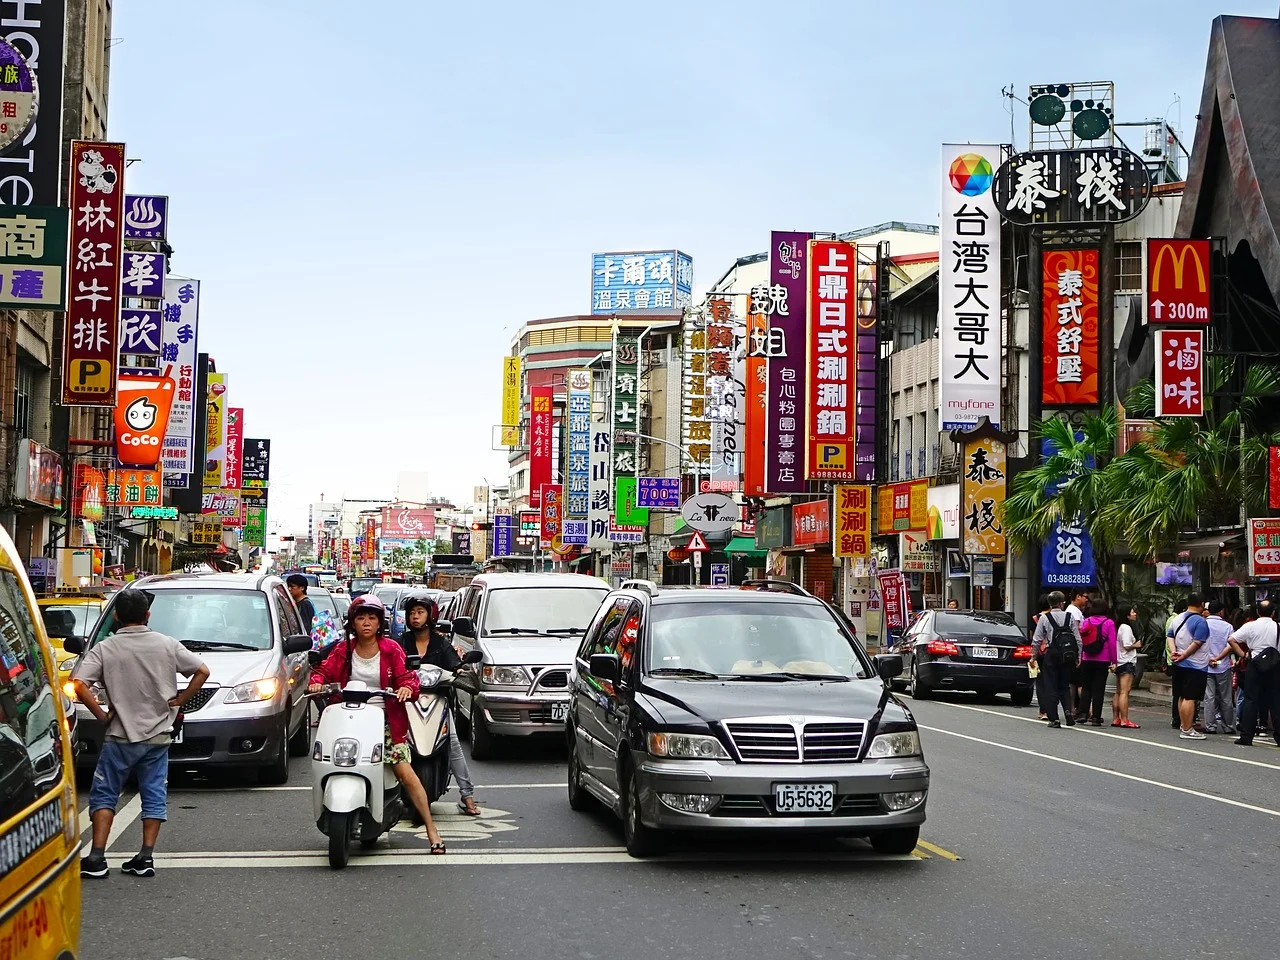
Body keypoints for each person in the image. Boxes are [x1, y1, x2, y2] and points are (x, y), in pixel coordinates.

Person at [73, 589, 211, 879]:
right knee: (153, 793)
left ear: (115, 616)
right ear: (148, 615)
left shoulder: (105, 648)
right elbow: (202, 671)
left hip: (119, 735)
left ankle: (97, 857)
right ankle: (145, 856)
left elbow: (79, 684)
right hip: (158, 735)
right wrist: (181, 700)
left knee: (105, 793)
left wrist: (100, 714)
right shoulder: (167, 644)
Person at [308, 595, 446, 852]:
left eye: (372, 617)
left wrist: (406, 687)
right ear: (353, 623)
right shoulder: (343, 649)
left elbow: (408, 677)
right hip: (347, 719)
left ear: (380, 622)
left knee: (404, 772)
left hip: (384, 721)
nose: (366, 623)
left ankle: (431, 828)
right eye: (361, 618)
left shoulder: (392, 649)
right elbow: (324, 671)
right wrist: (316, 680)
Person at [399, 593, 481, 816]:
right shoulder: (401, 642)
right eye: (412, 613)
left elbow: (455, 664)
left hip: (437, 700)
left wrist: (461, 670)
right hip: (405, 701)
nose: (415, 617)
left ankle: (467, 796)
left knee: (453, 743)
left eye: (420, 612)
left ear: (431, 616)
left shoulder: (441, 643)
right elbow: (391, 664)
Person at [1226, 599, 1280, 747]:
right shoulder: (1278, 627)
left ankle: (1246, 736)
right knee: (1275, 701)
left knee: (1251, 700)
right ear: (1273, 613)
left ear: (1257, 612)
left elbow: (1232, 640)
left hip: (1255, 665)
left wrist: (1243, 655)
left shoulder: (1250, 626)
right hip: (1274, 666)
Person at [1031, 591, 1080, 728]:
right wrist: (1078, 656)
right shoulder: (1069, 617)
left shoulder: (1045, 618)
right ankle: (1068, 712)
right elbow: (1077, 639)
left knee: (1050, 685)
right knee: (1064, 685)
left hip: (1051, 654)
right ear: (1060, 603)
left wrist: (1033, 657)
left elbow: (1037, 640)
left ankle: (1054, 718)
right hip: (1067, 655)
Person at [1168, 594, 1211, 741]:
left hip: (1178, 664)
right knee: (1190, 697)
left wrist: (1174, 651)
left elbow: (1170, 635)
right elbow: (1197, 643)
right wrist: (1184, 655)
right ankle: (1187, 728)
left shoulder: (1177, 618)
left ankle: (1183, 725)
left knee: (1181, 695)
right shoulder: (1200, 621)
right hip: (1195, 665)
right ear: (1201, 604)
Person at [1078, 597, 1117, 726]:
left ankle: (1083, 714)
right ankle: (1096, 717)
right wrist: (1114, 660)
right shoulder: (1109, 623)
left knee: (1086, 687)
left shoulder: (1087, 621)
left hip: (1087, 657)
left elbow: (1081, 639)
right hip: (1103, 659)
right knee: (1098, 689)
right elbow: (1112, 643)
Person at [1202, 599, 1236, 735]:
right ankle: (1228, 726)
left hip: (1206, 664)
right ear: (1221, 611)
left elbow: (1198, 643)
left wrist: (1209, 658)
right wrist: (1219, 657)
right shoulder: (1228, 626)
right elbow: (1231, 644)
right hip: (1223, 665)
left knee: (1209, 697)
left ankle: (1210, 726)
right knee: (1226, 697)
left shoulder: (1203, 624)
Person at [1112, 605, 1142, 728]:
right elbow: (1127, 644)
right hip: (1127, 661)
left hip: (1120, 661)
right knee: (1125, 691)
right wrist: (1136, 645)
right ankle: (1124, 719)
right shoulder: (1126, 628)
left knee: (1119, 691)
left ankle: (1116, 718)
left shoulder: (1119, 627)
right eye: (1132, 612)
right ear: (1127, 615)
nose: (1135, 613)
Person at [1067, 589, 1089, 723]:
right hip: (1077, 651)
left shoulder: (1074, 611)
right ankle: (1082, 710)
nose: (1087, 599)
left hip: (1075, 651)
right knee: (1079, 682)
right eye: (1085, 597)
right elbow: (1077, 633)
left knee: (1073, 683)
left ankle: (1073, 709)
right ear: (1078, 597)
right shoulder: (1074, 612)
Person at [1031, 596, 1051, 721]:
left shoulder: (1034, 618)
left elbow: (1032, 636)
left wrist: (1032, 655)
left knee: (1040, 682)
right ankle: (1050, 709)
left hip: (1038, 653)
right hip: (1051, 651)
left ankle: (1042, 710)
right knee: (1051, 680)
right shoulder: (1054, 617)